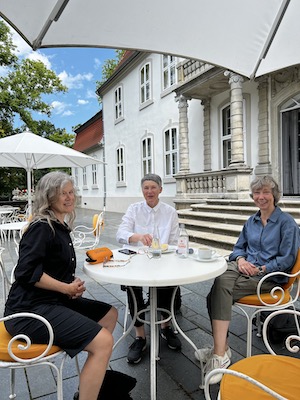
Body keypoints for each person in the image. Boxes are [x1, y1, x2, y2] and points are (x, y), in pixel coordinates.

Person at [4, 171, 118, 400]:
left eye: (70, 192)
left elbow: (51, 270)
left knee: (109, 314)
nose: (68, 198)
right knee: (103, 342)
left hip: (52, 302)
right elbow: (25, 272)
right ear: (49, 198)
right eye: (61, 194)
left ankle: (89, 386)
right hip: (28, 312)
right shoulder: (42, 227)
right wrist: (65, 288)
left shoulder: (59, 225)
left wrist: (70, 285)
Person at [195, 175, 300, 384]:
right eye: (257, 193)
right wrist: (242, 260)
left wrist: (261, 267)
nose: (261, 197)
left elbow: (287, 259)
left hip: (269, 278)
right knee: (221, 277)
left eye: (266, 192)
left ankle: (220, 352)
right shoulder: (250, 221)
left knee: (217, 292)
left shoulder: (286, 223)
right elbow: (238, 248)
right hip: (243, 269)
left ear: (274, 195)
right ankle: (220, 351)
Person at [116, 173, 182, 364]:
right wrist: (137, 236)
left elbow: (175, 241)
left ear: (160, 190)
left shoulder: (170, 212)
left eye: (153, 187)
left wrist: (169, 251)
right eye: (146, 188)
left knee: (168, 282)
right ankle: (140, 336)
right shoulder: (134, 209)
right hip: (137, 260)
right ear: (142, 190)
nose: (149, 191)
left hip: (163, 259)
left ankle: (165, 327)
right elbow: (121, 233)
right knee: (132, 286)